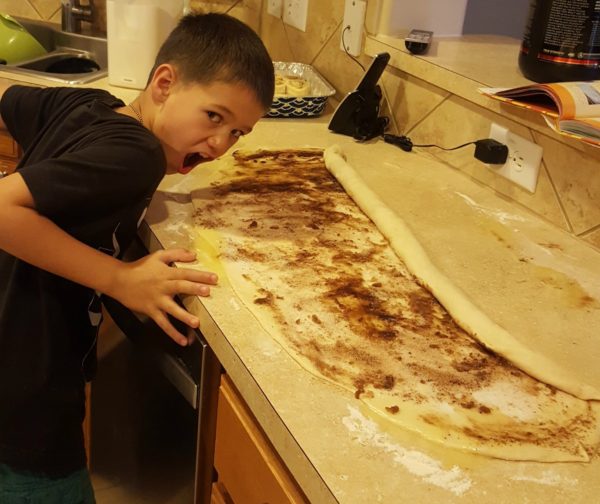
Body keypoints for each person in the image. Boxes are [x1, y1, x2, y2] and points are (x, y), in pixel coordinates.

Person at [0, 12, 274, 503]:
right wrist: (119, 278)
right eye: (214, 117)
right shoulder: (137, 155)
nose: (219, 145)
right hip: (29, 384)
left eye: (238, 133)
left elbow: (9, 100)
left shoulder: (86, 104)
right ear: (165, 83)